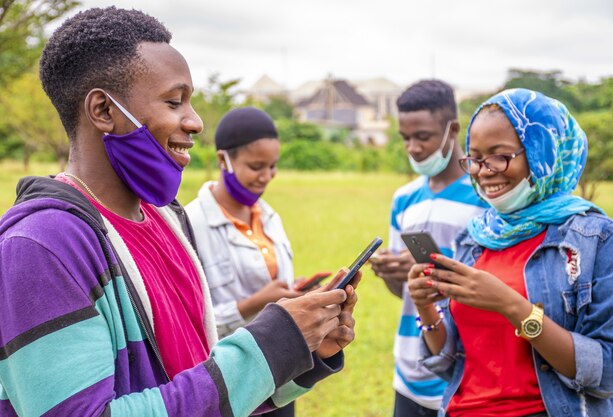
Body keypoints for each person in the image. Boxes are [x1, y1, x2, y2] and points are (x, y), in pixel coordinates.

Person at [0, 7, 359, 417]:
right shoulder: (40, 248)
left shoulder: (168, 220)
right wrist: (269, 343)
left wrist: (300, 349)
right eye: (174, 102)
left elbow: (201, 386)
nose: (195, 122)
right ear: (103, 110)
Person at [408, 88, 613, 417]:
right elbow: (451, 361)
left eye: (500, 155)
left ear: (543, 151)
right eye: (475, 158)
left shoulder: (599, 240)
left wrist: (512, 306)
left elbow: (610, 371)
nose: (483, 171)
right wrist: (426, 307)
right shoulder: (476, 238)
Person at [369, 80, 486, 416]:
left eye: (423, 137)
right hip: (407, 368)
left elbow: (498, 284)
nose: (413, 148)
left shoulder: (486, 195)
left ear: (453, 129)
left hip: (464, 370)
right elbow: (402, 292)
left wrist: (436, 266)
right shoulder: (404, 199)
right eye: (405, 138)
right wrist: (393, 274)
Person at [185, 107, 308, 417]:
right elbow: (187, 320)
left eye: (273, 166)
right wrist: (251, 305)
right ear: (223, 160)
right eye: (256, 166)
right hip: (231, 382)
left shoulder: (268, 215)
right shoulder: (189, 223)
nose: (266, 177)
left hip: (280, 371)